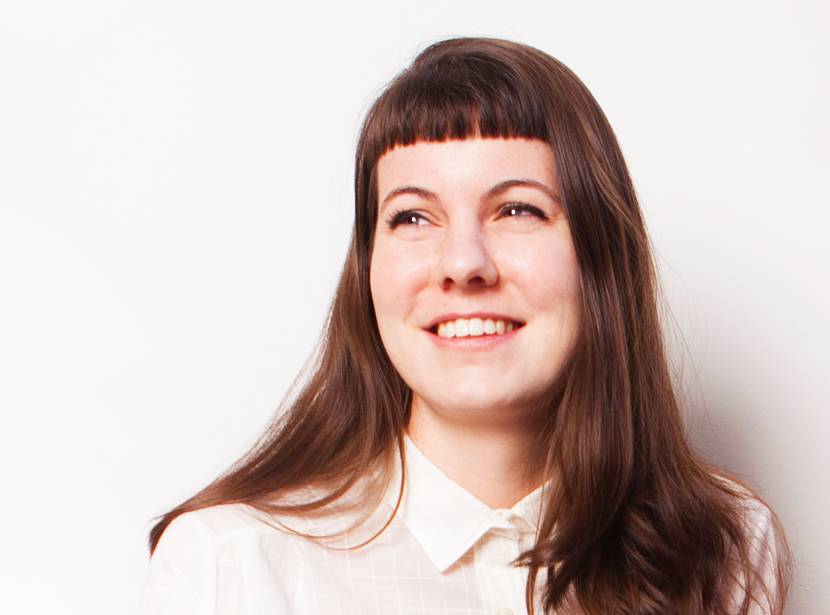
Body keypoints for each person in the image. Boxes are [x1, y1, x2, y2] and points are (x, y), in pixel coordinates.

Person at [139, 36, 792, 614]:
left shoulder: (728, 547)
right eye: (412, 217)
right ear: (367, 269)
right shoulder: (229, 566)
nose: (462, 264)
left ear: (601, 254)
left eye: (517, 210)